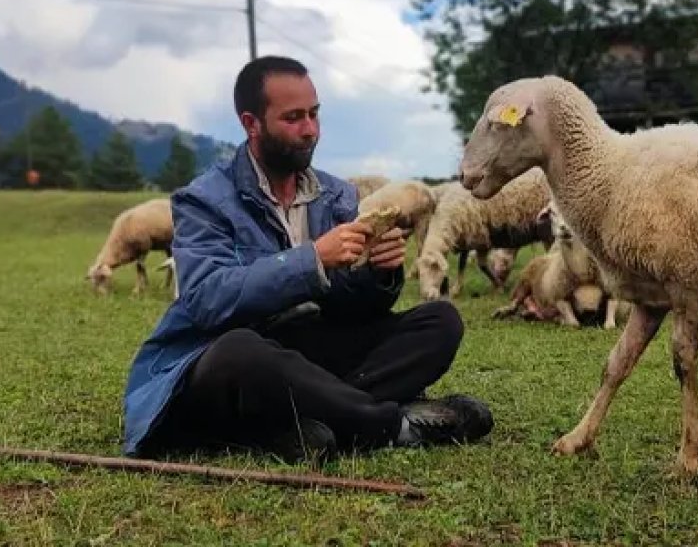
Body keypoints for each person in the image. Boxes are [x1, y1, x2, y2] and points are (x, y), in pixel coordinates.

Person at [121, 55, 493, 463]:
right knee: (242, 353)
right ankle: (390, 425)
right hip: (233, 356)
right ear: (251, 124)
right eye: (293, 118)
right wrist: (313, 259)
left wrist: (378, 274)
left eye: (314, 114)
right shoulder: (203, 200)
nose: (310, 130)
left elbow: (352, 307)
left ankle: (300, 423)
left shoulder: (336, 195)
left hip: (309, 350)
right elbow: (207, 300)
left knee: (440, 321)